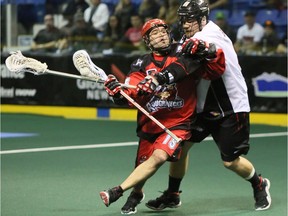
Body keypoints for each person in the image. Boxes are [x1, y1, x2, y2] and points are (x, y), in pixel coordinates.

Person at [145, 0, 272, 212]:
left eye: (190, 20)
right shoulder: (195, 35)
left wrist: (161, 77)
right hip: (204, 104)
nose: (185, 24)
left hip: (230, 106)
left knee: (230, 162)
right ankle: (173, 194)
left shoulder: (208, 37)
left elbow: (186, 64)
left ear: (203, 19)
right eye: (183, 19)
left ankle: (259, 184)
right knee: (180, 147)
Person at [99, 18, 225, 215]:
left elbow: (211, 67)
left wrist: (209, 51)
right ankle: (137, 193)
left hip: (178, 122)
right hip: (151, 122)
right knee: (142, 164)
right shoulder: (141, 63)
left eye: (163, 31)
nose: (161, 35)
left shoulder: (183, 52)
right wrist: (118, 93)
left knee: (159, 157)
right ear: (147, 41)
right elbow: (131, 96)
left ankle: (118, 190)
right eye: (155, 33)